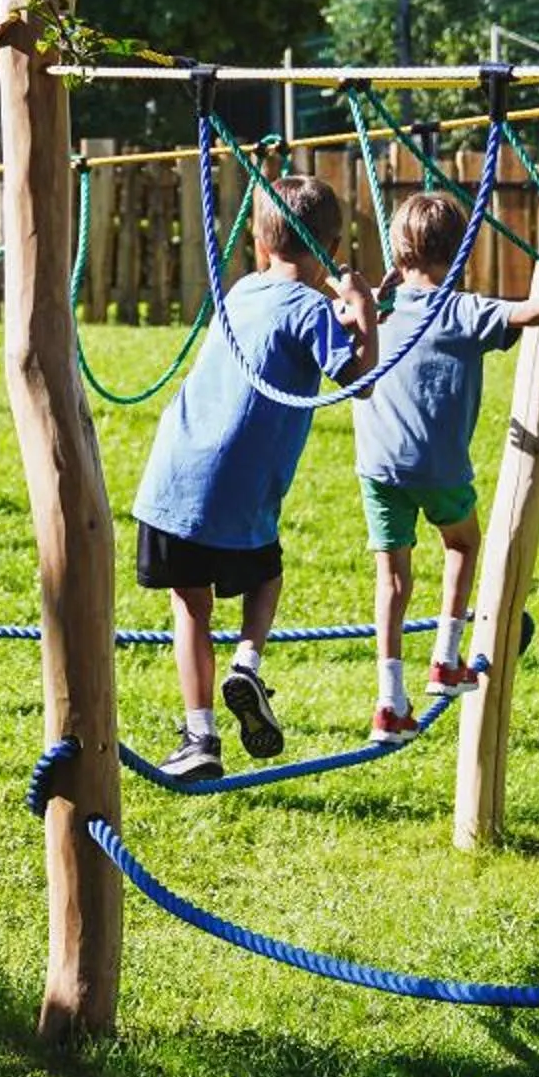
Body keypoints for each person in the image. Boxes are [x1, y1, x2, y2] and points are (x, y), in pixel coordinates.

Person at [129, 170, 380, 782]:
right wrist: (366, 315)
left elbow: (282, 330)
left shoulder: (242, 289)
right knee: (265, 573)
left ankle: (200, 736)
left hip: (173, 475)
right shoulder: (316, 311)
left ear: (263, 244)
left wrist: (336, 316)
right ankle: (247, 660)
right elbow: (364, 380)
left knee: (190, 607)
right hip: (241, 489)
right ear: (333, 247)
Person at [354, 191, 539, 742]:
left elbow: (353, 319)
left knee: (392, 579)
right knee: (461, 544)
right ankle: (445, 659)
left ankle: (389, 701)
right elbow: (528, 313)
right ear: (459, 253)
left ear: (398, 251)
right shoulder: (461, 310)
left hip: (378, 468)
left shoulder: (377, 310)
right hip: (438, 469)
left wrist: (378, 292)